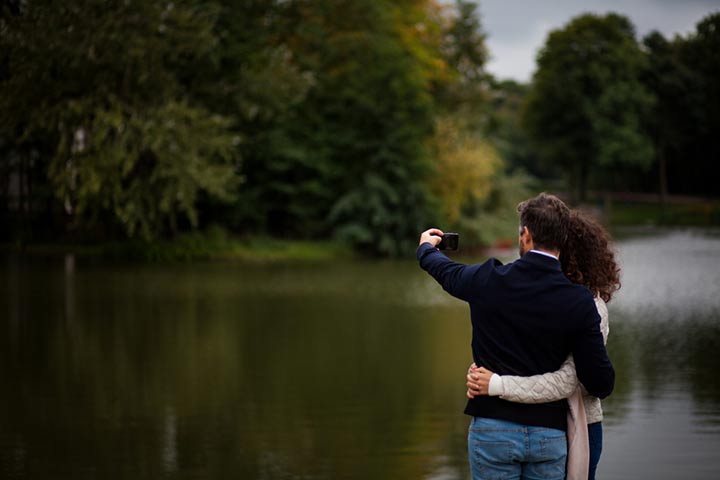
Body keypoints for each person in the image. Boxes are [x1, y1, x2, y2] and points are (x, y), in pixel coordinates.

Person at [416, 193, 615, 480]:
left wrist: (426, 249)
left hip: (493, 429)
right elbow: (601, 383)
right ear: (562, 239)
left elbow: (445, 271)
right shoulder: (579, 301)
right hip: (549, 435)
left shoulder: (488, 280)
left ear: (525, 235)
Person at [465, 209, 621, 480]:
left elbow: (570, 381)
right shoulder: (542, 293)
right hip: (546, 427)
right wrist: (482, 371)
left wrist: (496, 384)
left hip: (579, 425)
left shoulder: (588, 305)